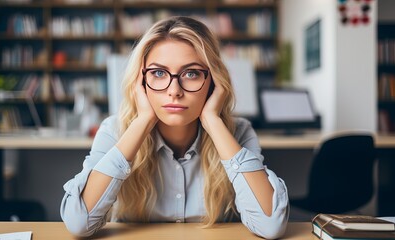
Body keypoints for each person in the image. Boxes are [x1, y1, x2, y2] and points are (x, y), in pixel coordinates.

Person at [60, 16, 289, 239]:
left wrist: (212, 121)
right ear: (141, 82)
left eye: (191, 73)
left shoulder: (239, 132)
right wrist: (143, 121)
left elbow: (270, 225)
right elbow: (79, 224)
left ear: (214, 82)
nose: (174, 91)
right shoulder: (115, 130)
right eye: (158, 73)